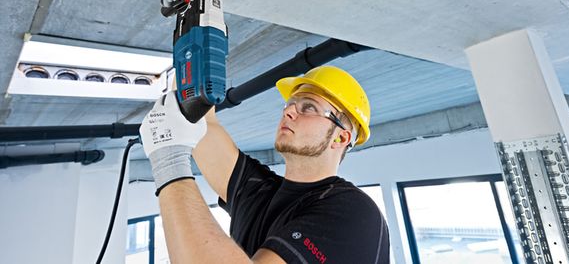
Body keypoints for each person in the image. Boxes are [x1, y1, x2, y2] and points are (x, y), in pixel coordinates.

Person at [140, 65, 390, 263]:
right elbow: (204, 123)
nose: (288, 112)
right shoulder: (259, 193)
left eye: (308, 107)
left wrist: (168, 161)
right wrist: (194, 52)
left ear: (341, 138)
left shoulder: (354, 213)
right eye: (290, 105)